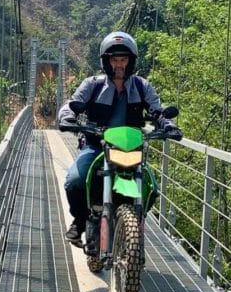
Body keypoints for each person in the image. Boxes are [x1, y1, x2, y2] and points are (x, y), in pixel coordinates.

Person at [57, 30, 180, 249]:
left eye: (123, 59)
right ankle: (81, 220)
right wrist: (67, 116)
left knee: (151, 187)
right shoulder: (92, 84)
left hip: (130, 149)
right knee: (75, 181)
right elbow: (72, 103)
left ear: (131, 61)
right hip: (96, 146)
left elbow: (157, 110)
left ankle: (133, 220)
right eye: (115, 59)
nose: (119, 64)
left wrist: (167, 124)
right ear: (107, 61)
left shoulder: (142, 86)